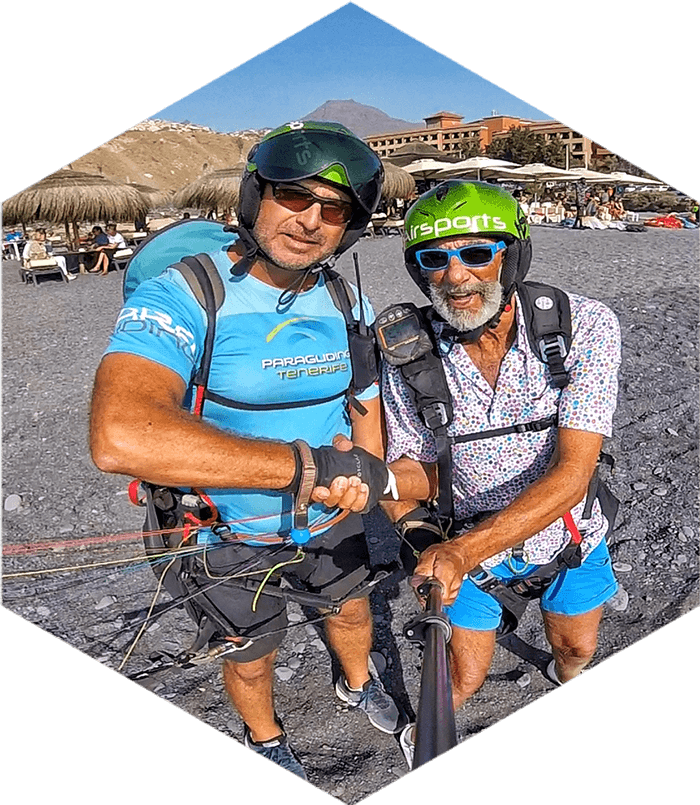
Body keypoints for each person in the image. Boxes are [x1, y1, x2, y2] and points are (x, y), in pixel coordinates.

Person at [89, 121, 402, 780]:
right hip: (219, 533)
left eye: (334, 208)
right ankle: (265, 733)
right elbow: (121, 431)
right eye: (294, 195)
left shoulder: (348, 297)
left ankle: (357, 683)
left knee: (350, 611)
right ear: (256, 196)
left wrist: (369, 474)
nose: (311, 220)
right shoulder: (186, 291)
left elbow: (365, 390)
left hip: (330, 519)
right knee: (252, 651)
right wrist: (311, 467)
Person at [376, 181, 622, 765]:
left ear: (514, 254)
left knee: (575, 649)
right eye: (434, 259)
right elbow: (415, 469)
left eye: (476, 253)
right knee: (462, 675)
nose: (456, 276)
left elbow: (572, 473)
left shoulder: (580, 325)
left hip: (569, 535)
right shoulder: (408, 351)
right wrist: (371, 481)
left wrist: (463, 551)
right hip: (466, 551)